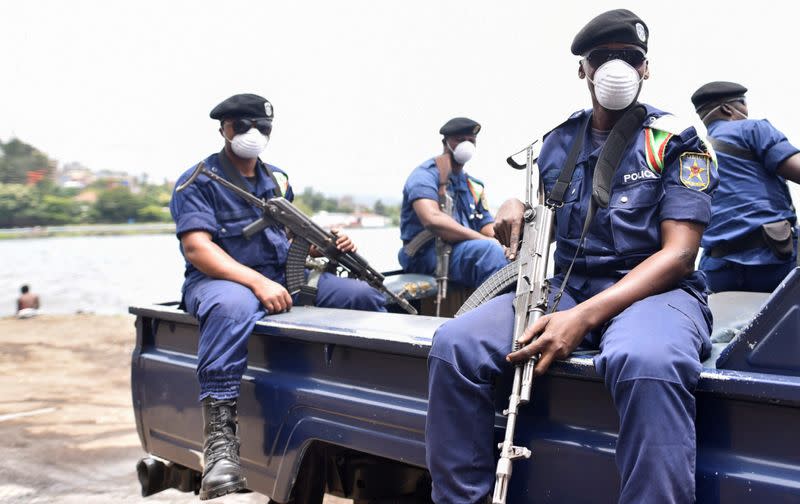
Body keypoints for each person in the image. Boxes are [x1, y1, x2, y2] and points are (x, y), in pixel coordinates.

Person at [425, 9, 718, 504]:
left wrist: (581, 319)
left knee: (646, 360)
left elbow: (680, 255)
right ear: (582, 68)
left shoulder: (677, 139)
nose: (616, 68)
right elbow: (544, 227)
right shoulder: (557, 143)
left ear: (647, 68)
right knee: (455, 345)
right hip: (567, 288)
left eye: (630, 58)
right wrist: (514, 207)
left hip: (656, 292)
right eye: (603, 58)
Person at [169, 93, 387, 500]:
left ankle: (358, 410)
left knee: (364, 299)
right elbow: (198, 248)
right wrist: (256, 282)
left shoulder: (277, 179)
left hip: (283, 275)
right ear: (224, 129)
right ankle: (219, 446)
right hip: (222, 281)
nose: (254, 134)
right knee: (230, 308)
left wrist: (326, 243)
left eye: (262, 127)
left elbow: (288, 237)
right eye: (244, 126)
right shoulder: (197, 181)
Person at [691, 81, 800, 292]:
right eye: (743, 104)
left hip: (718, 270)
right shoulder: (752, 128)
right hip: (775, 258)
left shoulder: (693, 152)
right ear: (727, 108)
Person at [398, 117, 507, 292]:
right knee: (489, 252)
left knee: (509, 253)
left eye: (471, 141)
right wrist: (486, 241)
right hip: (426, 254)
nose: (467, 145)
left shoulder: (474, 185)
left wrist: (508, 240)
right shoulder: (425, 175)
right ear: (445, 142)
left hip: (462, 250)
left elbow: (487, 226)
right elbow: (432, 219)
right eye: (460, 140)